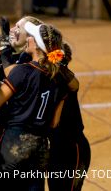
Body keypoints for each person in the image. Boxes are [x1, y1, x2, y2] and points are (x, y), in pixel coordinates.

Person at [0, 22, 67, 191]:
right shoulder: (59, 78)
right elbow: (54, 123)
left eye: (31, 37)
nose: (28, 39)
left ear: (37, 46)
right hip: (39, 148)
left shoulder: (22, 71)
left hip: (13, 145)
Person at [47, 43, 91, 191]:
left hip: (73, 149)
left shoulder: (64, 82)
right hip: (56, 150)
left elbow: (53, 123)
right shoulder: (48, 79)